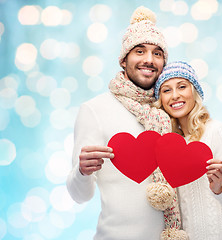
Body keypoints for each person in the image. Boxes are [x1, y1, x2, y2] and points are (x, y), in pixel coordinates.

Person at [66, 7, 187, 240]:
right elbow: (78, 196)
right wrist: (81, 171)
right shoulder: (95, 110)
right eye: (139, 51)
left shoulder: (170, 111)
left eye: (157, 53)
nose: (149, 60)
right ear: (124, 60)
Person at [153, 61, 222, 240]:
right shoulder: (168, 148)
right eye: (166, 90)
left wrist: (220, 188)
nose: (174, 95)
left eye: (182, 86)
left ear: (194, 91)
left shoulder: (218, 131)